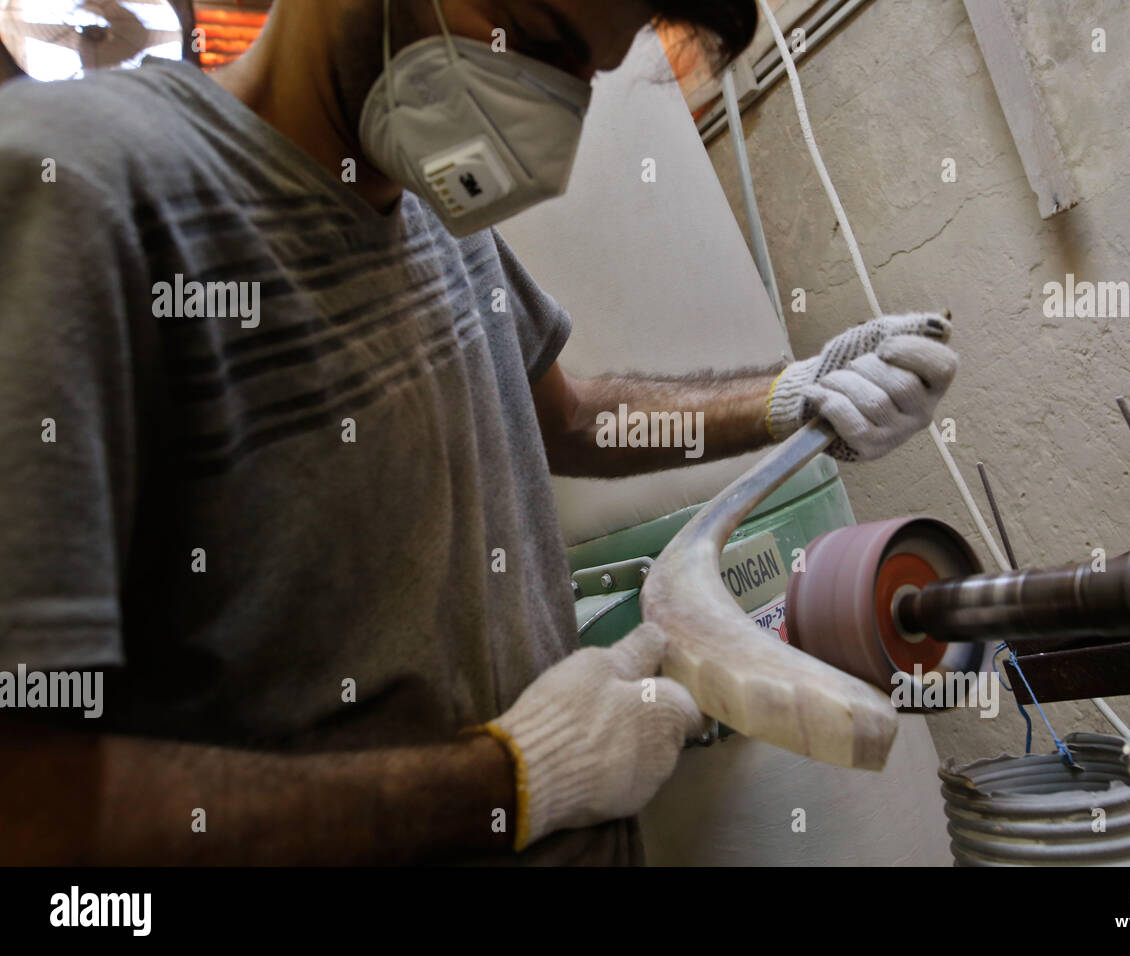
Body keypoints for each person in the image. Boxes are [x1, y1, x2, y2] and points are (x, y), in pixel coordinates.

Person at [0, 0, 957, 864]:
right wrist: (512, 779)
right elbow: (33, 810)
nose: (553, 122)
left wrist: (792, 395)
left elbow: (567, 420)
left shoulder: (434, 208)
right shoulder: (75, 192)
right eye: (534, 41)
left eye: (582, 77)